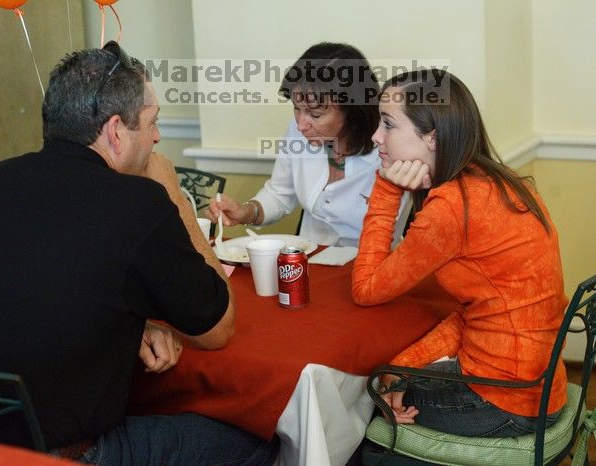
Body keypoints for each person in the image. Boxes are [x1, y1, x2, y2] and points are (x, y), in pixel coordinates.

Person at [0, 42, 274, 465]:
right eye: (152, 123)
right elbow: (217, 328)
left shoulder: (3, 178)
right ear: (117, 131)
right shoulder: (138, 202)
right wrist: (171, 192)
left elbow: (43, 281)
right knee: (258, 442)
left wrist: (132, 325)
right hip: (64, 455)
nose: (157, 137)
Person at [352, 69, 568, 438]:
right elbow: (475, 310)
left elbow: (366, 288)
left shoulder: (453, 206)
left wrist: (387, 189)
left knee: (362, 400)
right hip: (540, 383)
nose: (376, 137)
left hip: (506, 399)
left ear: (432, 137)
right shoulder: (497, 182)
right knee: (387, 377)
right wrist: (401, 366)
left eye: (388, 124)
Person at [207, 42, 409, 247]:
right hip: (311, 263)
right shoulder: (299, 131)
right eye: (296, 108)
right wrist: (247, 212)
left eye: (315, 114)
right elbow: (279, 194)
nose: (301, 124)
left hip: (372, 267)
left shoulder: (392, 148)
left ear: (352, 110)